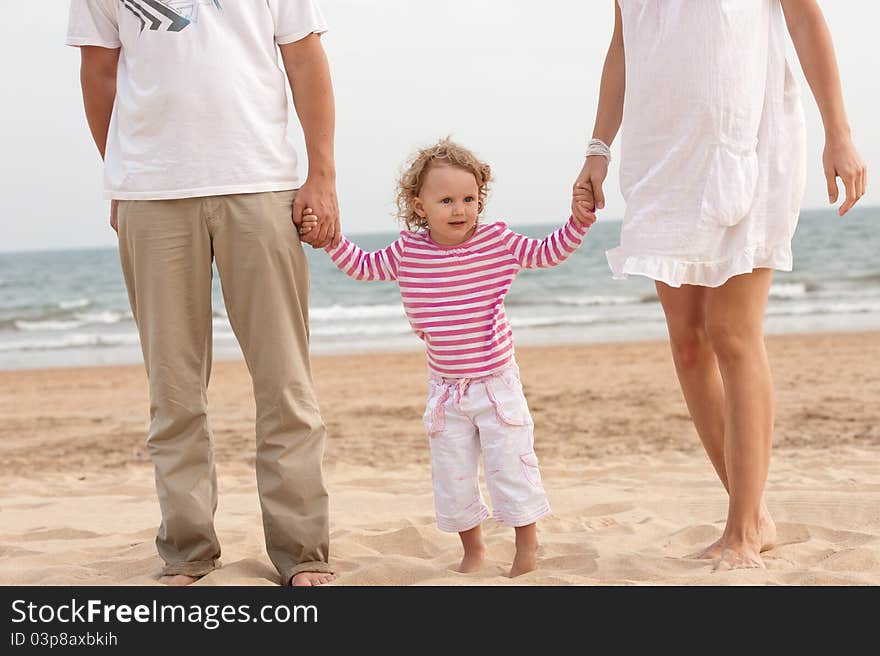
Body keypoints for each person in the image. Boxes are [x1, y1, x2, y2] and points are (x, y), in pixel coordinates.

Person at [572, 0, 867, 569]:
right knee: (688, 344)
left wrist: (839, 133)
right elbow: (624, 40)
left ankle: (742, 532)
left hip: (748, 140)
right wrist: (598, 150)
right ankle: (752, 513)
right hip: (663, 153)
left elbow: (805, 17)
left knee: (732, 333)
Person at [68, 0, 341, 586]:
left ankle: (303, 554)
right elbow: (98, 71)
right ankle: (188, 553)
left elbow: (304, 57)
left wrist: (322, 175)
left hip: (261, 184)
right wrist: (121, 174)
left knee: (285, 384)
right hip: (153, 195)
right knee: (174, 392)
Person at [301, 138, 593, 576]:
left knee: (511, 467)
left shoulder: (497, 241)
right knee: (453, 477)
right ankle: (474, 551)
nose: (460, 209)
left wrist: (579, 220)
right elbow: (362, 266)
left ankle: (526, 549)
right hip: (445, 392)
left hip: (496, 384)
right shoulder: (408, 251)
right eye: (446, 200)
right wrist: (330, 239)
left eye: (469, 199)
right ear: (420, 207)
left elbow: (548, 252)